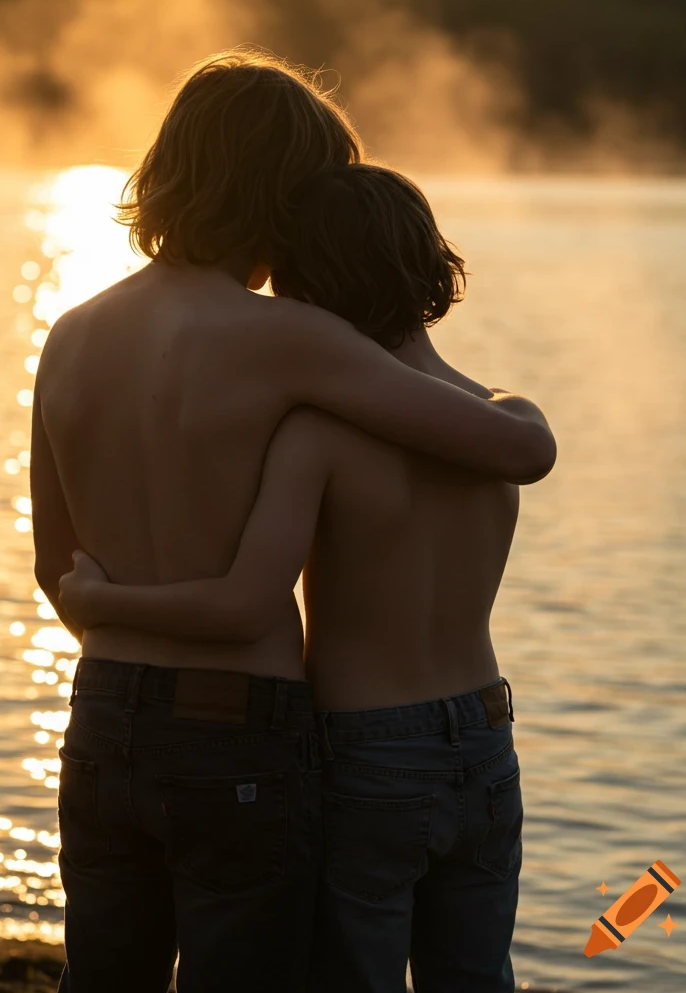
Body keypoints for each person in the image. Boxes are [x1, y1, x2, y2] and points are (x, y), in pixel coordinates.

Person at [32, 52, 554, 993]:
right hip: (239, 725)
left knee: (103, 974)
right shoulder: (294, 342)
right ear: (278, 196)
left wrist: (114, 616)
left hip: (103, 709)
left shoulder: (67, 336)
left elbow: (56, 571)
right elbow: (509, 447)